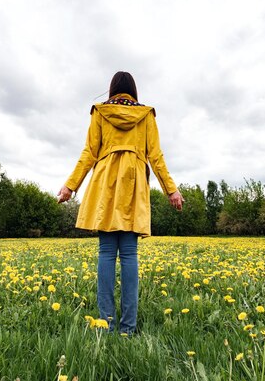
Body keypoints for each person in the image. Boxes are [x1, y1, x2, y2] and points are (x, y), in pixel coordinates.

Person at [58, 71, 183, 335]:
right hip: (133, 182)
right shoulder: (146, 114)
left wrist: (71, 185)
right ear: (133, 91)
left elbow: (89, 153)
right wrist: (171, 189)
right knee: (129, 254)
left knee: (106, 252)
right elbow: (156, 156)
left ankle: (107, 325)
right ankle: (128, 327)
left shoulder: (100, 112)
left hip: (105, 181)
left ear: (112, 89)